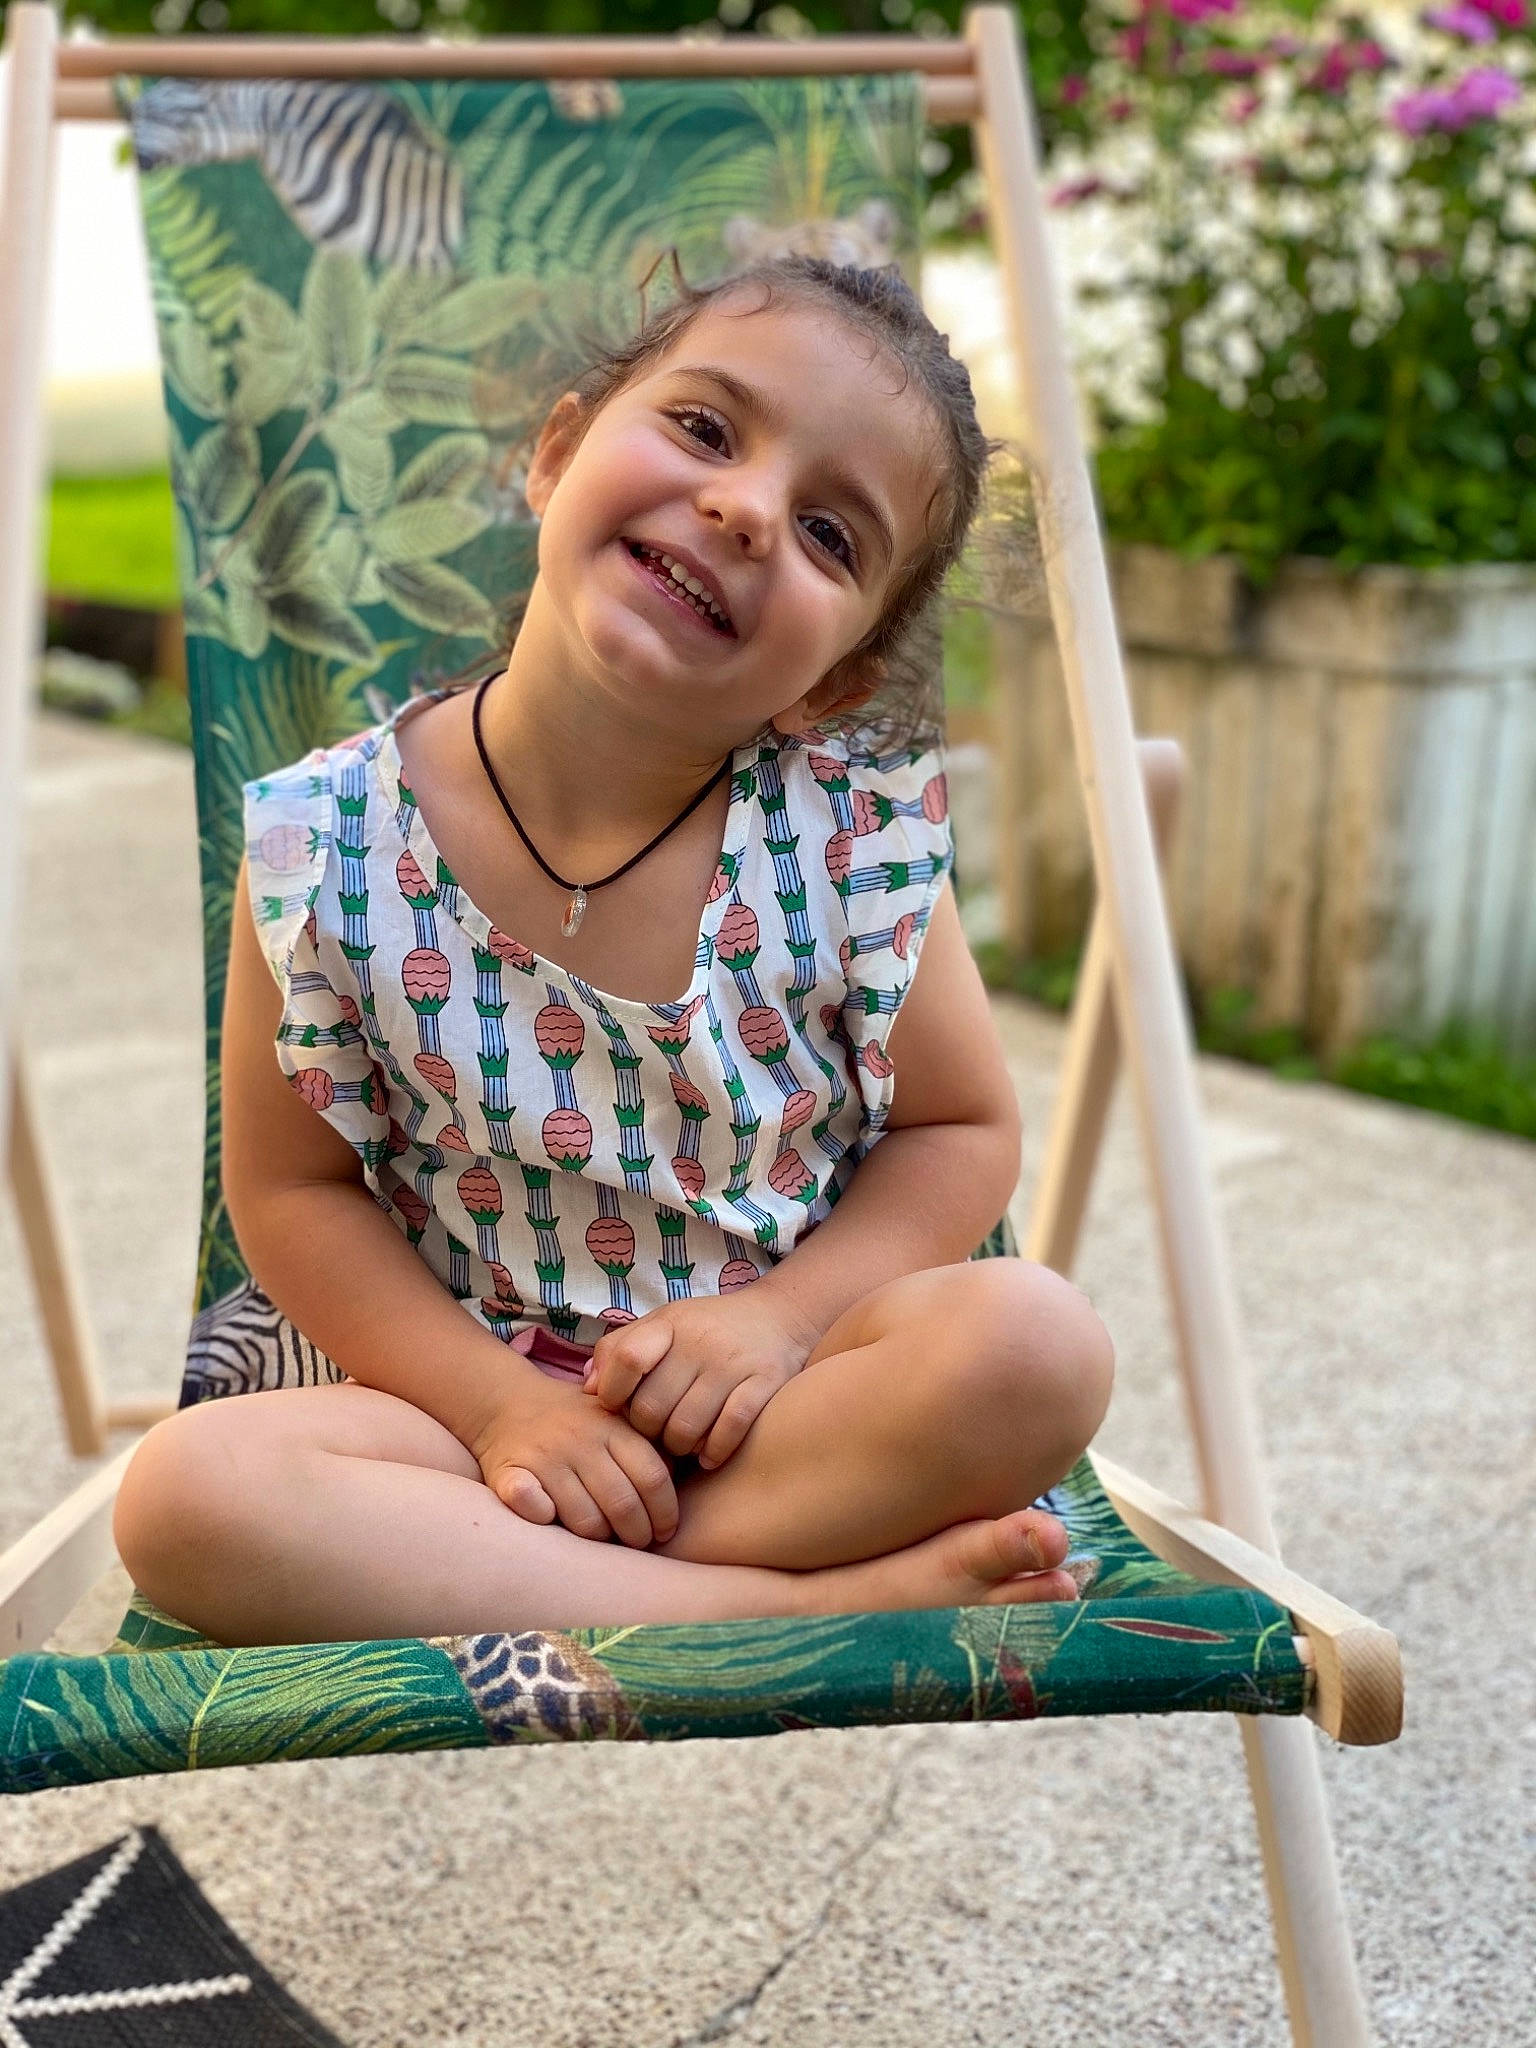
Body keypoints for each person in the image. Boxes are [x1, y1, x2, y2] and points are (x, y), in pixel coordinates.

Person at [114, 254, 1114, 1649]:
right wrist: (499, 1404)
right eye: (706, 428)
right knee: (185, 1499)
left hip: (780, 1415)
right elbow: (291, 1194)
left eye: (833, 535)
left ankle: (634, 1584)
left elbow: (962, 1125)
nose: (747, 508)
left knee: (1037, 1345)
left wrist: (782, 1326)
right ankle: (784, 1610)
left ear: (834, 680)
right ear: (559, 451)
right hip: (468, 1431)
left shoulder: (851, 844)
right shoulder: (318, 843)